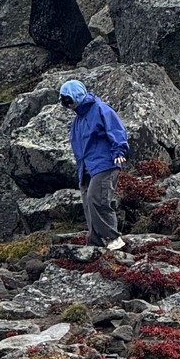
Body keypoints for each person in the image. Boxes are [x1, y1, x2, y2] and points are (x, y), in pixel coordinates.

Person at [58, 79, 129, 252]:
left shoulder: (100, 109)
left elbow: (116, 130)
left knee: (97, 198)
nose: (69, 105)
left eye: (69, 99)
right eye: (64, 102)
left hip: (105, 163)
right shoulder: (77, 121)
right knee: (87, 202)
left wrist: (119, 152)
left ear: (77, 95)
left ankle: (113, 238)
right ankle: (95, 241)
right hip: (87, 167)